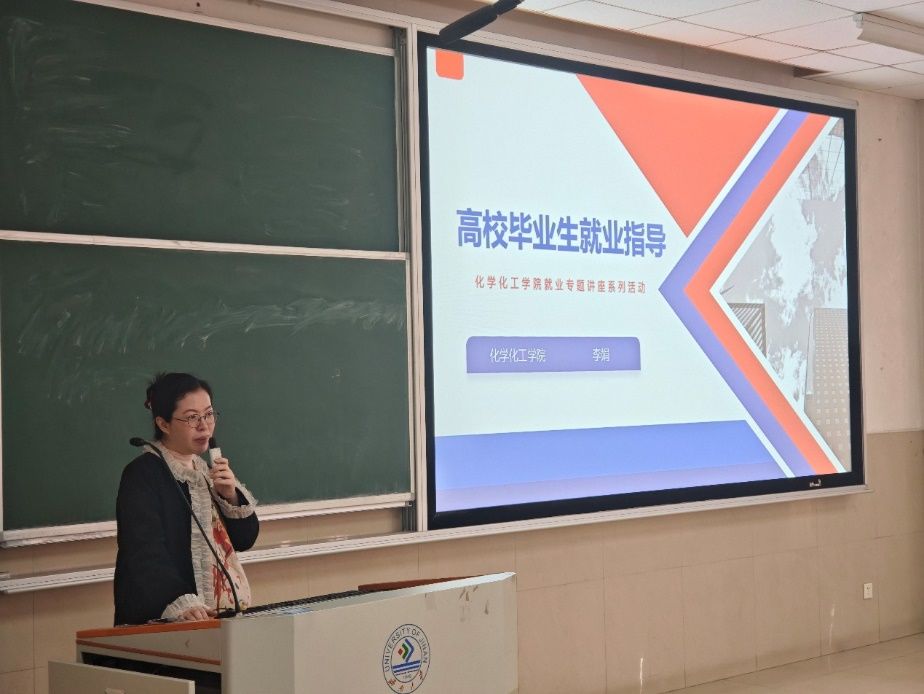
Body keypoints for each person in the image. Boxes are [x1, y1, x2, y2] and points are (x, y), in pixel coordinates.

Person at [114, 372, 259, 625]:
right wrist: (180, 601)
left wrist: (230, 495)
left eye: (209, 414)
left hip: (217, 620)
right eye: (192, 417)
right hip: (165, 620)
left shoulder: (206, 471)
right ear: (163, 424)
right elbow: (144, 551)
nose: (204, 426)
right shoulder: (143, 474)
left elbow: (244, 540)